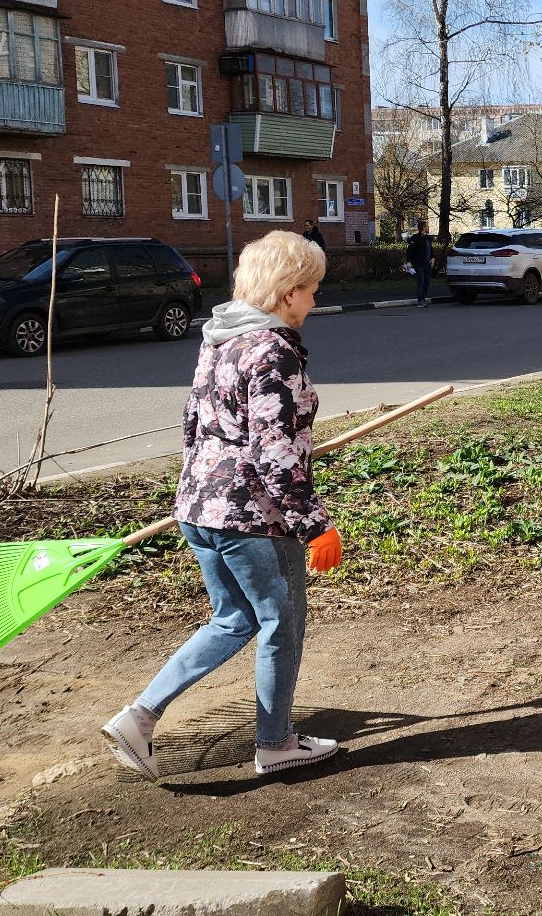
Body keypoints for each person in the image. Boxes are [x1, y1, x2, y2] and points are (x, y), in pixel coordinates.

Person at [102, 231, 345, 781]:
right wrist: (314, 526)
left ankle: (138, 718)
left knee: (233, 618)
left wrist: (206, 486)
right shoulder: (273, 350)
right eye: (311, 290)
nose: (314, 301)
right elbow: (272, 451)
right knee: (281, 622)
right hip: (253, 519)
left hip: (200, 508)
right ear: (287, 293)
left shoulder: (219, 340)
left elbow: (194, 422)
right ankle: (277, 744)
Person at [405, 228, 434, 306]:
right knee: (421, 282)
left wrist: (432, 257)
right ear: (423, 228)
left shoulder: (427, 238)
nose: (428, 228)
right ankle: (420, 301)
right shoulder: (415, 238)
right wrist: (409, 261)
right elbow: (409, 250)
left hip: (427, 264)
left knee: (426, 282)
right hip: (419, 264)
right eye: (427, 226)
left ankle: (423, 299)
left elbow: (430, 249)